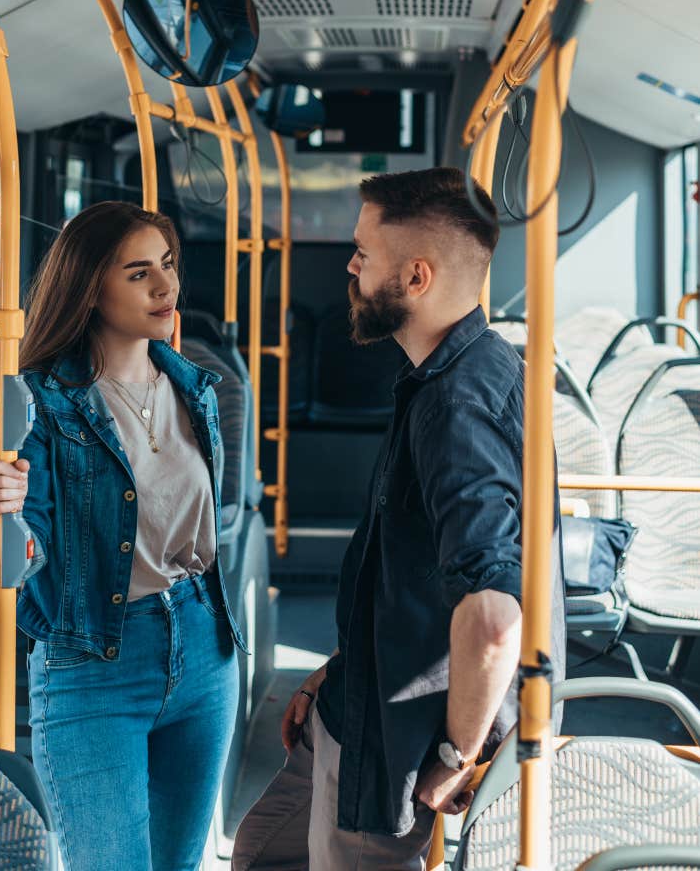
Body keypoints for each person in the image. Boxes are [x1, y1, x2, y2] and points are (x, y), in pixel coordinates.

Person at [232, 168, 565, 870]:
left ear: (415, 276)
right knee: (262, 852)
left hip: (399, 739)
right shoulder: (465, 368)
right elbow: (411, 578)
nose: (350, 265)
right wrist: (338, 669)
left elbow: (495, 618)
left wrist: (456, 754)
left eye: (363, 251)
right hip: (358, 695)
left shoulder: (456, 407)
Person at [0, 201, 246, 871]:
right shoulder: (37, 403)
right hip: (93, 664)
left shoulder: (198, 388)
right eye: (138, 273)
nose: (166, 287)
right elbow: (17, 558)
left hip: (204, 652)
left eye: (169, 266)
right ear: (91, 288)